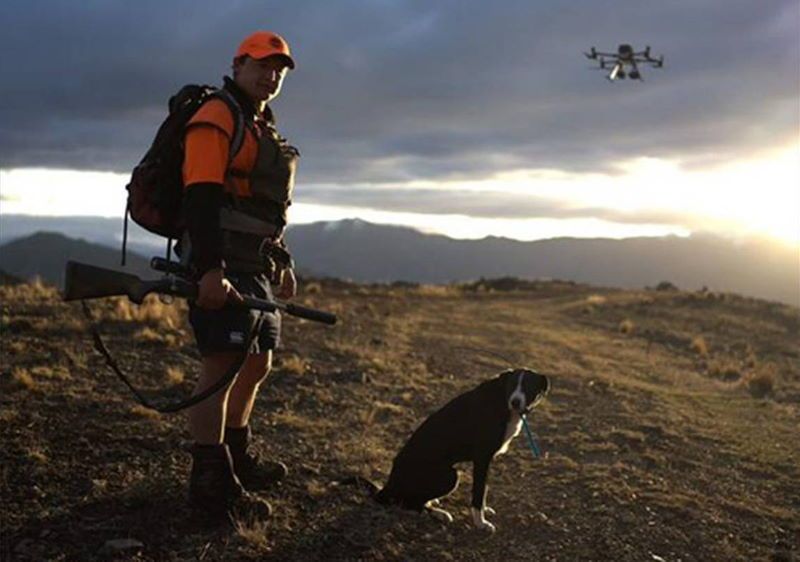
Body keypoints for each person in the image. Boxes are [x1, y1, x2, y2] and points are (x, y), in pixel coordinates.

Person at [180, 30, 300, 524]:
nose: (271, 76)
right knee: (222, 363)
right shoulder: (217, 115)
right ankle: (210, 480)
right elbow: (202, 197)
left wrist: (283, 261)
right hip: (221, 261)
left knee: (257, 363)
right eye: (262, 65)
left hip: (255, 264)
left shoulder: (259, 124)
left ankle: (236, 455)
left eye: (278, 70)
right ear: (237, 65)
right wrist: (209, 271)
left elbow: (265, 207)